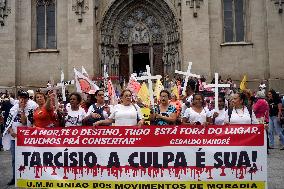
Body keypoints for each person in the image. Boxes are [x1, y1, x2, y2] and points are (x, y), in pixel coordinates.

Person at [5, 90, 37, 185]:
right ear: (18, 98)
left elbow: (24, 123)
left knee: (27, 158)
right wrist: (11, 131)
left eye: (24, 98)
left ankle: (28, 176)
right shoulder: (13, 108)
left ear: (27, 99)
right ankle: (15, 177)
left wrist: (22, 109)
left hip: (25, 138)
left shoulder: (30, 108)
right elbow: (8, 122)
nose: (22, 100)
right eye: (20, 98)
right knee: (15, 159)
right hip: (14, 138)